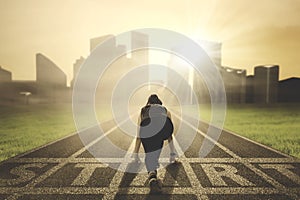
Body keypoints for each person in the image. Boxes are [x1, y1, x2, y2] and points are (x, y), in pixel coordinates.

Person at [132, 94, 176, 193]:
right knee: (154, 155)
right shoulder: (165, 109)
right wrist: (172, 154)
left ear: (148, 103)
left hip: (146, 130)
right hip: (162, 130)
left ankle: (152, 175)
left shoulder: (143, 110)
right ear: (159, 103)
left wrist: (135, 155)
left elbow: (138, 136)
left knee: (150, 155)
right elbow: (169, 135)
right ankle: (153, 175)